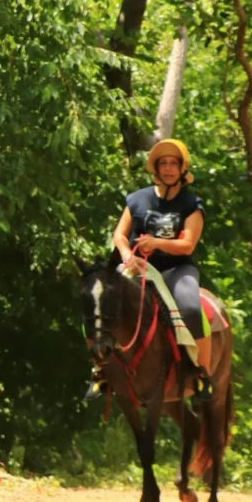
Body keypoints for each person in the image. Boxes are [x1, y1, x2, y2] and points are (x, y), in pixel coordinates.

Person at [85, 139, 213, 403]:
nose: (168, 169)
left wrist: (156, 243)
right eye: (163, 163)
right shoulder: (137, 199)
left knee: (189, 306)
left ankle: (201, 374)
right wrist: (125, 255)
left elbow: (187, 245)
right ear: (156, 168)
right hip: (136, 267)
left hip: (175, 268)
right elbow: (120, 235)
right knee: (97, 299)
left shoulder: (192, 204)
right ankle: (100, 370)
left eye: (173, 164)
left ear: (182, 168)